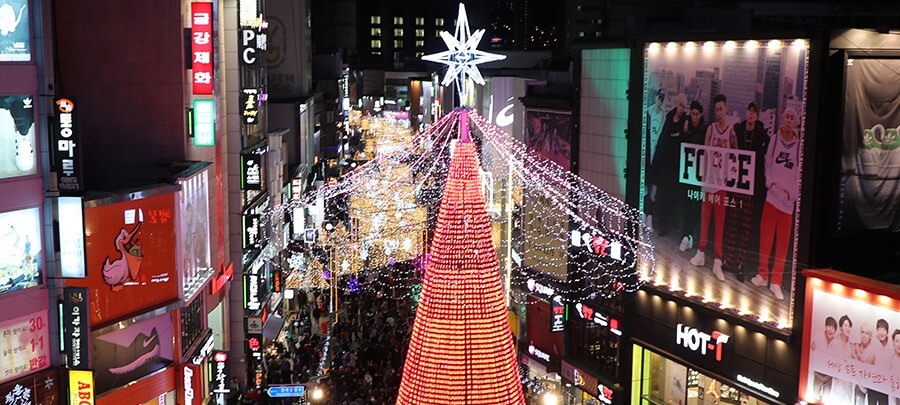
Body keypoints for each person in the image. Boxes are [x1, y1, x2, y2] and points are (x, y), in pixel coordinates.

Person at [751, 107, 800, 300]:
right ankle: (762, 274)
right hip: (771, 198)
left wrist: (793, 194)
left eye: (792, 117)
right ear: (782, 118)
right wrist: (769, 182)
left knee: (782, 245)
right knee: (766, 238)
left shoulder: (799, 145)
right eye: (786, 116)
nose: (788, 120)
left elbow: (799, 173)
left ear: (796, 122)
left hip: (787, 203)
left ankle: (776, 281)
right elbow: (768, 163)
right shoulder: (774, 139)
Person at [690, 94, 737, 281]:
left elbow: (736, 158)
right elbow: (705, 155)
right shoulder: (710, 130)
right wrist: (703, 179)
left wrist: (729, 179)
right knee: (705, 221)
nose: (718, 112)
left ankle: (718, 261)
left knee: (719, 224)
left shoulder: (731, 133)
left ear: (726, 109)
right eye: (716, 109)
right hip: (709, 183)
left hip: (722, 185)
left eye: (721, 109)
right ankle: (700, 253)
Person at [724, 102, 769, 277]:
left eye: (753, 113)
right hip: (736, 183)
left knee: (745, 227)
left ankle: (740, 264)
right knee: (733, 223)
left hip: (751, 188)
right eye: (749, 112)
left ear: (757, 116)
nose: (750, 115)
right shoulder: (738, 129)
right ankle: (728, 260)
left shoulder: (761, 134)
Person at [649, 93, 689, 237]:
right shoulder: (668, 118)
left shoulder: (686, 121)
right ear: (676, 104)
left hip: (676, 166)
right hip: (665, 164)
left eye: (684, 106)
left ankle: (666, 225)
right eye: (680, 105)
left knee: (671, 197)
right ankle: (661, 224)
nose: (681, 109)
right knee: (662, 195)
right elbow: (662, 138)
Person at [677, 101, 705, 252]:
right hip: (687, 173)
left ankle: (689, 234)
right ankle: (686, 235)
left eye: (697, 114)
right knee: (687, 205)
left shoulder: (705, 129)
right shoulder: (686, 126)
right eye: (692, 114)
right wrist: (684, 132)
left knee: (697, 205)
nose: (694, 117)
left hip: (700, 175)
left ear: (701, 115)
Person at [645, 89, 666, 232]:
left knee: (654, 189)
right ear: (656, 98)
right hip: (646, 156)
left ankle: (649, 217)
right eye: (659, 98)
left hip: (656, 159)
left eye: (662, 99)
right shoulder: (648, 112)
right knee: (645, 187)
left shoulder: (664, 117)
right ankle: (644, 215)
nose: (660, 101)